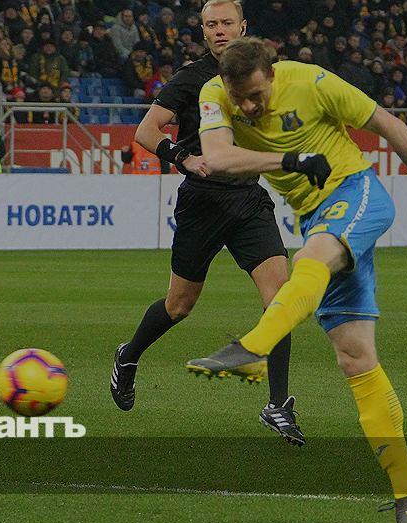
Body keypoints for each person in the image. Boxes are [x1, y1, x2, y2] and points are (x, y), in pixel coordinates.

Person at [189, 37, 407, 523]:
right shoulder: (215, 93)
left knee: (309, 259)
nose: (248, 107)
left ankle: (254, 348)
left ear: (272, 75)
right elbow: (219, 158)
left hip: (357, 192)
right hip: (317, 215)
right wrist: (291, 160)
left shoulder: (313, 82)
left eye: (255, 95)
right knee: (355, 358)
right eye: (239, 98)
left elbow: (389, 125)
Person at [108, 0, 302, 447]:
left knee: (281, 298)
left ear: (243, 27)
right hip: (202, 203)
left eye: (226, 22)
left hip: (248, 200)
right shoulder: (191, 78)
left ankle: (278, 403)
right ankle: (129, 355)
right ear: (203, 31)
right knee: (179, 305)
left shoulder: (265, 75)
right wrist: (182, 157)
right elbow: (146, 131)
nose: (219, 30)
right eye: (211, 24)